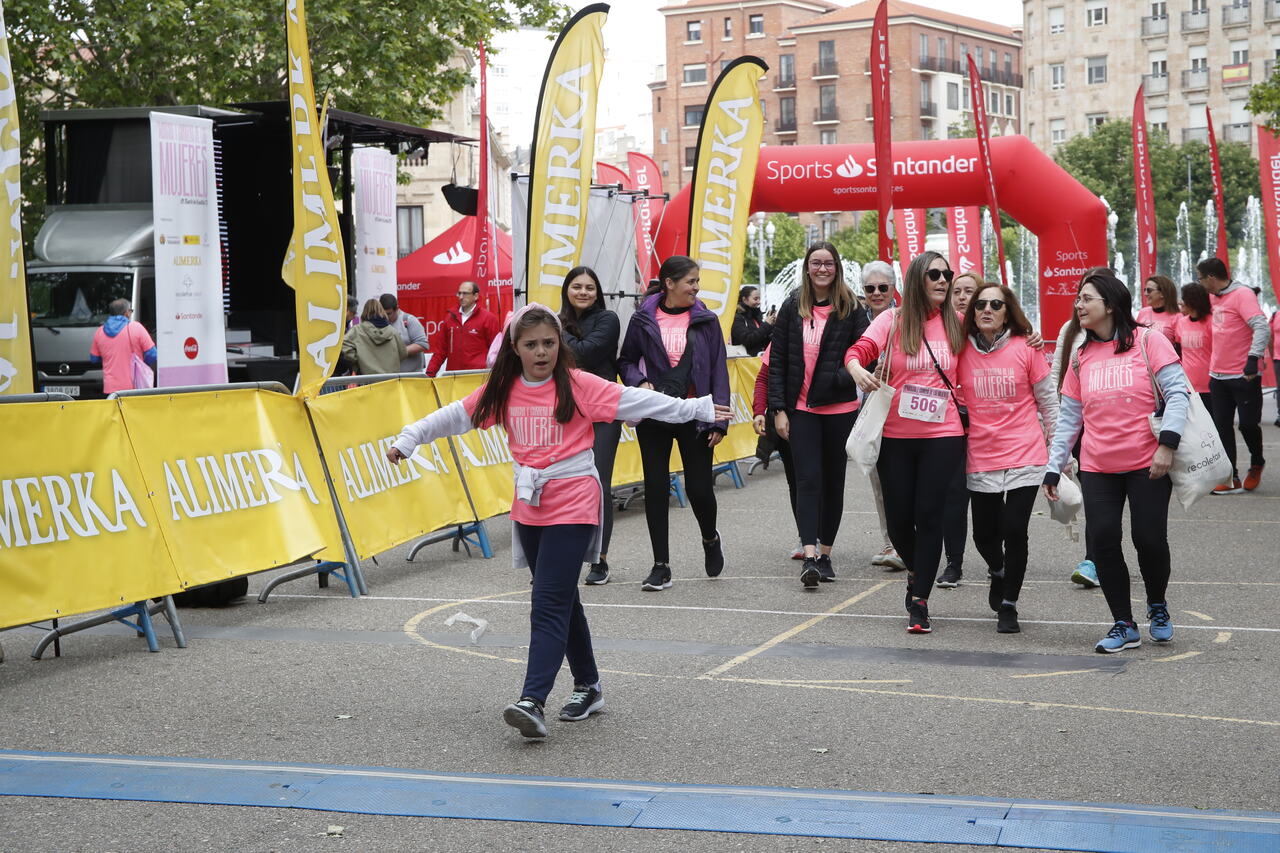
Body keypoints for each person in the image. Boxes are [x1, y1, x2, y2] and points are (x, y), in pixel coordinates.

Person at [388, 305, 730, 738]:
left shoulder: (578, 385)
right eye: (531, 344)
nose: (541, 351)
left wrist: (695, 408)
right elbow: (455, 415)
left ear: (559, 344)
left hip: (574, 499)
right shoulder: (504, 388)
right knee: (563, 598)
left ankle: (532, 700)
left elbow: (636, 400)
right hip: (530, 504)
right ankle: (589, 685)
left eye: (549, 342)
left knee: (547, 601)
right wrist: (411, 437)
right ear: (515, 348)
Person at [1043, 271, 1188, 653]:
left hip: (1148, 464)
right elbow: (1069, 418)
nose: (1079, 304)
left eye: (1086, 298)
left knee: (1149, 540)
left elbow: (1177, 393)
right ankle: (1123, 623)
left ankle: (1157, 606)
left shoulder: (1149, 341)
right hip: (1097, 466)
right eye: (1078, 298)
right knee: (1103, 541)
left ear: (1110, 304)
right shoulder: (1081, 356)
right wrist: (1053, 466)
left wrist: (1167, 446)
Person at [845, 251, 967, 634]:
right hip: (896, 434)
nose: (943, 280)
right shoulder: (893, 320)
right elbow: (857, 351)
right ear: (917, 278)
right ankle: (916, 570)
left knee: (929, 516)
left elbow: (1001, 333)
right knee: (899, 522)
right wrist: (856, 369)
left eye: (947, 274)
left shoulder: (958, 322)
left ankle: (920, 601)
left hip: (943, 434)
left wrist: (1028, 332)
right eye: (935, 274)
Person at [618, 256, 731, 592]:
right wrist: (638, 381)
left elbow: (718, 369)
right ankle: (660, 566)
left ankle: (710, 538)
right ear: (669, 283)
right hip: (654, 412)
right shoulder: (642, 319)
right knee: (655, 487)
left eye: (697, 281)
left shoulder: (707, 320)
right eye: (691, 281)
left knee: (699, 488)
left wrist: (719, 420)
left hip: (695, 413)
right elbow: (625, 360)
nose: (696, 287)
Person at [958, 283, 1058, 633]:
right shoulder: (960, 350)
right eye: (980, 304)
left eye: (995, 305)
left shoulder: (1026, 348)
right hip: (980, 454)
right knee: (984, 536)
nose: (987, 309)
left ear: (1007, 312)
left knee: (1015, 529)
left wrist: (1061, 455)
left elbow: (1048, 402)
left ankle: (1009, 604)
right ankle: (997, 571)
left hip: (1025, 452)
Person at [768, 241, 868, 587]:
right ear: (807, 267)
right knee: (807, 480)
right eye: (816, 263)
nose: (822, 269)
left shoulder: (852, 307)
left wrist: (836, 379)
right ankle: (809, 555)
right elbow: (777, 361)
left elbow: (865, 353)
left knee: (832, 482)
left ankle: (826, 553)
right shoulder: (793, 305)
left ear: (837, 267)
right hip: (801, 410)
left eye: (828, 263)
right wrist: (778, 409)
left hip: (839, 408)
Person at [558, 266, 622, 586]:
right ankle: (558, 559)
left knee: (599, 486)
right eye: (577, 286)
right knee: (561, 486)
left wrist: (557, 333)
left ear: (598, 292)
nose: (583, 292)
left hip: (602, 412)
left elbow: (583, 353)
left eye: (590, 287)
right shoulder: (555, 321)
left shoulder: (608, 321)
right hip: (565, 412)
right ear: (566, 290)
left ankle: (600, 560)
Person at [1198, 258, 1268, 493]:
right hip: (1217, 376)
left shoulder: (1242, 295)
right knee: (1222, 427)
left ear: (1211, 277)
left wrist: (1253, 358)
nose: (1199, 283)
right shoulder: (1212, 297)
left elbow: (1261, 326)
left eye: (1200, 278)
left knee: (1248, 425)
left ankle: (1257, 462)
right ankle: (1231, 477)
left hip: (1243, 375)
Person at [859, 260, 906, 572]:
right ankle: (890, 542)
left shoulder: (906, 318)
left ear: (893, 289)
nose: (876, 293)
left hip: (906, 409)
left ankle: (910, 540)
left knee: (907, 481)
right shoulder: (855, 321)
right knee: (878, 480)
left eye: (882, 287)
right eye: (869, 288)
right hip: (871, 409)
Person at [937, 271, 981, 588]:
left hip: (987, 423)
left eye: (969, 291)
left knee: (987, 498)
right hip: (952, 419)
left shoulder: (994, 330)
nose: (962, 297)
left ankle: (997, 557)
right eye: (957, 292)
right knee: (953, 494)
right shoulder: (942, 329)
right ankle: (954, 563)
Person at [426, 280, 502, 376]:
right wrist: (429, 373)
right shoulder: (450, 318)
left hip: (478, 376)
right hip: (454, 377)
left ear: (476, 296)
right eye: (459, 293)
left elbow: (497, 351)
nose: (461, 297)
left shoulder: (488, 319)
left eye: (465, 293)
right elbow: (440, 350)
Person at [89, 298, 157, 395]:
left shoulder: (100, 331)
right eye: (130, 311)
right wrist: (141, 363)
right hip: (134, 387)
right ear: (126, 313)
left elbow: (94, 359)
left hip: (111, 390)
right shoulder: (136, 328)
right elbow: (153, 354)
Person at [1172, 282, 1213, 411]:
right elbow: (1179, 351)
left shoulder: (1211, 322)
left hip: (1210, 384)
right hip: (1188, 384)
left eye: (1183, 299)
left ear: (1193, 300)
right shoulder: (1181, 323)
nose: (1180, 302)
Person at [341, 299, 408, 375]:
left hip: (368, 379)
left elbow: (344, 345)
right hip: (390, 379)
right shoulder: (393, 331)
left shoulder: (357, 330)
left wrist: (359, 359)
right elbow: (403, 353)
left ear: (364, 312)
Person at [379, 293, 429, 373]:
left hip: (411, 376)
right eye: (383, 314)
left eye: (389, 314)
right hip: (390, 377)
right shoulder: (379, 322)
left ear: (397, 309)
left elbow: (423, 344)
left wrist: (399, 352)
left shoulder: (409, 320)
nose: (386, 317)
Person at [731, 285, 775, 357]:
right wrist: (766, 324)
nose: (759, 302)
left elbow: (763, 340)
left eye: (759, 299)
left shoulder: (755, 317)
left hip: (758, 359)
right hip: (746, 363)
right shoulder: (737, 318)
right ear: (745, 299)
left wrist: (772, 325)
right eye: (755, 299)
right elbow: (747, 340)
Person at [1136, 275, 1180, 342]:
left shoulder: (1177, 317)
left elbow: (1180, 347)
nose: (1145, 293)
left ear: (1162, 293)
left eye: (1149, 290)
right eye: (1145, 290)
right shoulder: (1143, 312)